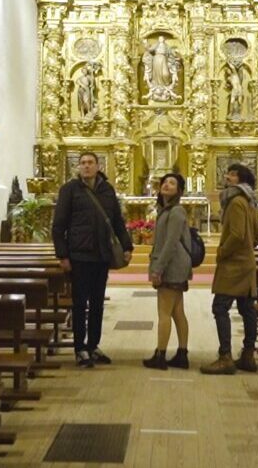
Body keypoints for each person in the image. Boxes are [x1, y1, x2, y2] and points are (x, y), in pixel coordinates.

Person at [51, 152, 133, 368]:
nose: (86, 167)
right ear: (78, 167)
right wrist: (63, 255)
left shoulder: (107, 190)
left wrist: (127, 246)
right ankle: (80, 348)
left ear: (98, 166)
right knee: (80, 304)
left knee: (97, 303)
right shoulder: (69, 190)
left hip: (101, 254)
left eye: (90, 163)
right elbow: (59, 225)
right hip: (79, 255)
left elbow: (117, 221)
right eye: (83, 163)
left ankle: (93, 345)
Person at [201, 163, 258, 374]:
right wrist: (247, 250)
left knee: (220, 307)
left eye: (233, 175)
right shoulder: (249, 200)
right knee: (247, 309)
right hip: (245, 262)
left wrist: (222, 252)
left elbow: (237, 235)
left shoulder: (236, 201)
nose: (227, 177)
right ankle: (248, 355)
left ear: (242, 179)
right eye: (228, 173)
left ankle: (225, 357)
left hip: (234, 265)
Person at [142, 172, 192, 370]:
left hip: (172, 266)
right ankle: (182, 354)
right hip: (174, 264)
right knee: (177, 311)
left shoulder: (176, 211)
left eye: (172, 183)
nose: (167, 185)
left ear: (179, 190)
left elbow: (170, 243)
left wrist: (157, 269)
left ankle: (160, 355)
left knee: (164, 312)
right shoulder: (166, 210)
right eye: (165, 182)